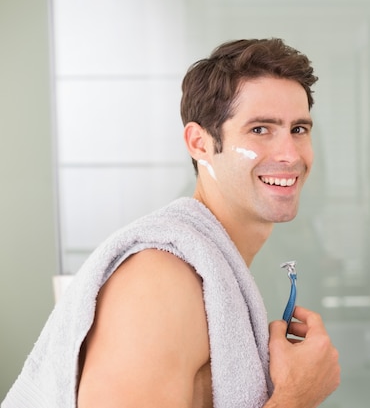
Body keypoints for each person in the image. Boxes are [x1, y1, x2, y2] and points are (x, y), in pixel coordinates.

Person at [2, 38, 340, 408]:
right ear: (199, 143)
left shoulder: (208, 272)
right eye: (260, 129)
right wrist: (295, 396)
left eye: (299, 129)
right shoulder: (158, 283)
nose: (290, 154)